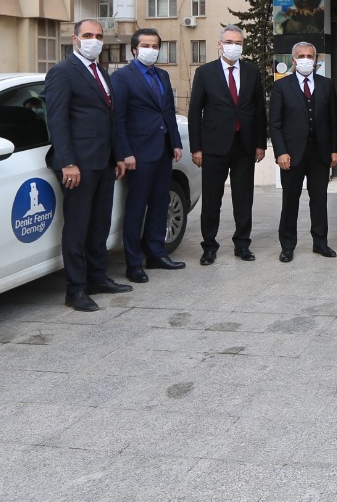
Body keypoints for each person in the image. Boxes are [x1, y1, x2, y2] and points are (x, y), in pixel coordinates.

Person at [44, 19, 130, 311]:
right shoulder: (62, 72)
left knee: (100, 224)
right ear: (75, 39)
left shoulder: (101, 72)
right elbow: (57, 121)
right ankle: (76, 289)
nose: (94, 40)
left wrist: (117, 156)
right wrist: (67, 162)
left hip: (103, 162)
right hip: (78, 164)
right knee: (78, 227)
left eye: (99, 36)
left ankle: (97, 277)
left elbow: (110, 119)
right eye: (88, 35)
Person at [109, 28, 186, 283]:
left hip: (162, 150)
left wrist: (175, 143)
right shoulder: (122, 77)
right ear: (134, 49)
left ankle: (156, 254)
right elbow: (118, 119)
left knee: (160, 204)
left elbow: (168, 111)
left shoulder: (162, 75)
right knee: (136, 209)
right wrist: (125, 152)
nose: (151, 50)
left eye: (155, 46)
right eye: (146, 46)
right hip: (138, 154)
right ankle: (133, 264)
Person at [187, 24, 268, 265]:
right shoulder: (205, 72)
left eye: (238, 43)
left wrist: (260, 143)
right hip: (214, 146)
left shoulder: (252, 72)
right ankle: (209, 246)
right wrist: (196, 147)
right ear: (220, 44)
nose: (234, 47)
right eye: (229, 42)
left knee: (244, 198)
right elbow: (195, 112)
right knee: (212, 199)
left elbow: (259, 110)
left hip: (245, 145)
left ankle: (242, 244)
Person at [269, 42, 337, 262]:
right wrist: (280, 152)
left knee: (319, 200)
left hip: (320, 153)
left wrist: (334, 149)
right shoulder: (281, 86)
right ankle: (287, 246)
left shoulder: (326, 85)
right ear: (293, 60)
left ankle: (320, 243)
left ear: (316, 60)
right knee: (290, 201)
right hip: (292, 154)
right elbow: (275, 124)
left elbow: (333, 120)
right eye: (301, 56)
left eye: (310, 56)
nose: (306, 59)